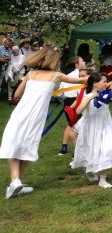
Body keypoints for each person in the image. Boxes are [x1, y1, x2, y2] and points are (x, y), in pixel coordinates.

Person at [0, 46, 81, 199]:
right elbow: (78, 80)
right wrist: (96, 79)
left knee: (13, 144)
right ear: (53, 60)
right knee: (27, 146)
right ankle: (16, 183)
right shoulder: (56, 76)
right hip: (37, 117)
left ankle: (16, 182)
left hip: (21, 114)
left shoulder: (30, 74)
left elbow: (17, 94)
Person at [71, 72, 112, 188]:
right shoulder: (87, 96)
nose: (106, 83)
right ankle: (90, 170)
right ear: (95, 84)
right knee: (91, 151)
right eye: (104, 81)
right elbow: (78, 111)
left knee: (107, 149)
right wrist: (91, 97)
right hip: (91, 128)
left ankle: (103, 179)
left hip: (106, 126)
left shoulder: (106, 95)